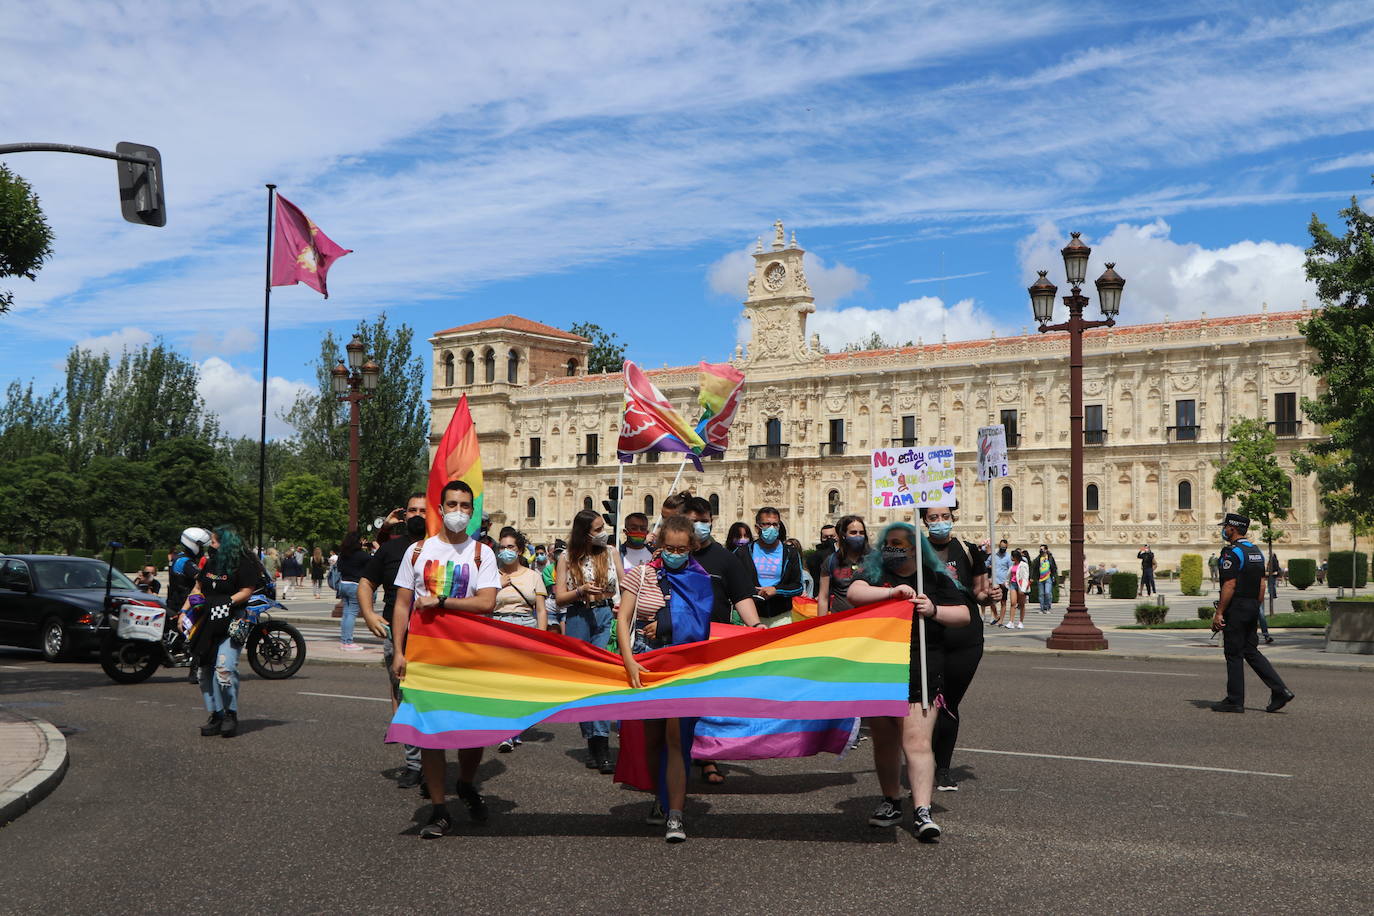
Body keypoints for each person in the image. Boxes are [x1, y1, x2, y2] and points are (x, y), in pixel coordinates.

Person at [846, 522, 974, 840]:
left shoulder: (935, 578)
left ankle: (922, 810)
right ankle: (891, 800)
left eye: (899, 543)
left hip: (922, 666)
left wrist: (932, 610)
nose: (893, 548)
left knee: (916, 742)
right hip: (880, 667)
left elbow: (964, 614)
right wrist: (892, 592)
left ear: (915, 548)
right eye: (888, 543)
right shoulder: (876, 576)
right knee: (885, 741)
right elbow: (854, 593)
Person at [390, 479, 500, 838]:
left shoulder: (482, 552)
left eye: (464, 506)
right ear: (440, 510)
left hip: (470, 654)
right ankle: (439, 809)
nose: (457, 512)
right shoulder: (418, 552)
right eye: (451, 504)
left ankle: (466, 783)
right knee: (429, 733)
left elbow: (486, 602)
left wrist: (441, 601)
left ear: (472, 512)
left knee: (472, 732)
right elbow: (402, 605)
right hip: (426, 655)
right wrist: (399, 651)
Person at [615, 514, 716, 842]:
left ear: (692, 547)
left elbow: (701, 624)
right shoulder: (641, 575)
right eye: (669, 547)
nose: (675, 552)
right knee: (653, 739)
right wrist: (628, 659)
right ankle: (660, 797)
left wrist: (670, 625)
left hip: (682, 666)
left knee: (677, 738)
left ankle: (676, 814)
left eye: (681, 548)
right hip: (646, 662)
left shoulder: (699, 578)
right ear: (659, 545)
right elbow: (624, 619)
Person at [681, 495, 764, 783]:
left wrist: (755, 625)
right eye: (693, 521)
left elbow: (741, 596)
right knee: (678, 700)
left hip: (713, 638)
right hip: (676, 639)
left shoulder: (724, 558)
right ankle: (676, 754)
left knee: (707, 700)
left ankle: (707, 757)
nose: (699, 526)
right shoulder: (673, 554)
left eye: (704, 521)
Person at [919, 503, 999, 792]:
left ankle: (942, 768)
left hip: (966, 638)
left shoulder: (968, 550)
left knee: (950, 704)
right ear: (925, 521)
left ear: (953, 517)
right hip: (929, 637)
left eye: (945, 516)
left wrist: (990, 595)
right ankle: (922, 761)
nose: (940, 521)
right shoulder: (916, 551)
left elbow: (979, 592)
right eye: (933, 517)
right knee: (926, 705)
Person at [358, 494, 428, 788]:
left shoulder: (444, 548)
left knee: (430, 700)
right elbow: (366, 583)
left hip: (434, 636)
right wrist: (369, 615)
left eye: (423, 510)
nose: (417, 515)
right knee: (404, 697)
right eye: (412, 510)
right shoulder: (390, 549)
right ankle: (414, 764)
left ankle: (432, 761)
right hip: (398, 634)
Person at [555, 508, 626, 774]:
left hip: (604, 614)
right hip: (577, 616)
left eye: (602, 527)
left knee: (602, 680)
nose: (602, 532)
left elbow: (624, 583)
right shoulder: (566, 558)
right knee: (583, 682)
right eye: (597, 529)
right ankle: (592, 743)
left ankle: (603, 744)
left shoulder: (611, 553)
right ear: (584, 533)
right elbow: (559, 598)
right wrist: (580, 591)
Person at [1211, 513, 1294, 714]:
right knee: (1250, 651)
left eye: (1226, 527)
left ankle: (1235, 700)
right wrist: (1254, 608)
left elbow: (1230, 584)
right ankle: (1280, 690)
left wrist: (1220, 612)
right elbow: (1262, 584)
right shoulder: (1255, 551)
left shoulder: (1232, 552)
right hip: (1251, 606)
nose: (1223, 530)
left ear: (1232, 528)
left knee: (1233, 653)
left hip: (1237, 607)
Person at [190, 525, 262, 739]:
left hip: (232, 621)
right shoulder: (212, 563)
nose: (210, 546)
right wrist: (186, 610)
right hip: (208, 621)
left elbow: (247, 591)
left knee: (224, 668)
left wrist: (226, 603)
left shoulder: (244, 564)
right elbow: (198, 586)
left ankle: (230, 714)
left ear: (225, 543)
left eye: (213, 542)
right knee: (204, 671)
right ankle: (216, 714)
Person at [493, 525, 547, 753]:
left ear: (520, 550)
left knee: (519, 683)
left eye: (511, 547)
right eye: (503, 547)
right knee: (502, 682)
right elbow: (483, 604)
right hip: (499, 626)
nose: (506, 551)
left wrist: (541, 638)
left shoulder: (533, 576)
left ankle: (513, 728)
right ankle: (507, 732)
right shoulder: (491, 575)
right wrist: (498, 587)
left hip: (525, 626)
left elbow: (541, 609)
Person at [733, 507, 803, 627]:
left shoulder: (790, 553)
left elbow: (798, 587)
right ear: (757, 527)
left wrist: (776, 590)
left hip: (781, 617)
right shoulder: (742, 553)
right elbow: (733, 584)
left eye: (775, 524)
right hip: (750, 616)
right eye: (766, 524)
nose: (771, 528)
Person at [818, 515, 869, 615]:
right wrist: (820, 626)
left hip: (868, 619)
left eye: (861, 533)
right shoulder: (831, 561)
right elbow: (823, 597)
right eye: (853, 533)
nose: (858, 536)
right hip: (840, 620)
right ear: (844, 535)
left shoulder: (874, 559)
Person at [335, 530, 371, 651]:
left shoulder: (343, 554)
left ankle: (344, 640)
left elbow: (339, 567)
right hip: (355, 584)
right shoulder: (361, 555)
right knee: (352, 613)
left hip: (343, 584)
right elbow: (374, 562)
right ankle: (348, 642)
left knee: (346, 613)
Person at [806, 524, 838, 598]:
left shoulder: (845, 555)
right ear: (821, 538)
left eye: (832, 536)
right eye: (825, 537)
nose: (829, 539)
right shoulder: (813, 557)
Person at [991, 539, 1012, 624]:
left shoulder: (1008, 557)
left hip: (1003, 582)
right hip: (994, 582)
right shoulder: (994, 555)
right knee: (991, 600)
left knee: (1003, 602)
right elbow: (986, 563)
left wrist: (1007, 582)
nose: (1002, 548)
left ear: (1006, 547)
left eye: (1004, 547)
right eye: (1001, 546)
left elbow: (1010, 570)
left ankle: (1001, 621)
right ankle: (996, 616)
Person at [1036, 545, 1058, 614]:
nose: (1041, 550)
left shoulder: (1050, 558)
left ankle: (1047, 607)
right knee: (1041, 594)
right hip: (1040, 578)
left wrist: (1054, 576)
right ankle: (1042, 608)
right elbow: (1035, 567)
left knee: (1047, 592)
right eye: (1040, 549)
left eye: (1042, 549)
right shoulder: (1038, 558)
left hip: (1048, 577)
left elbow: (1054, 567)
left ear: (1046, 550)